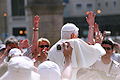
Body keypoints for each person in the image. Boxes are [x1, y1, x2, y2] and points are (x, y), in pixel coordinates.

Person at [47, 11, 106, 80]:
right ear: (73, 35)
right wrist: (98, 43)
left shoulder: (53, 48)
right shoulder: (75, 42)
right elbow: (94, 51)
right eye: (77, 34)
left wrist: (91, 27)